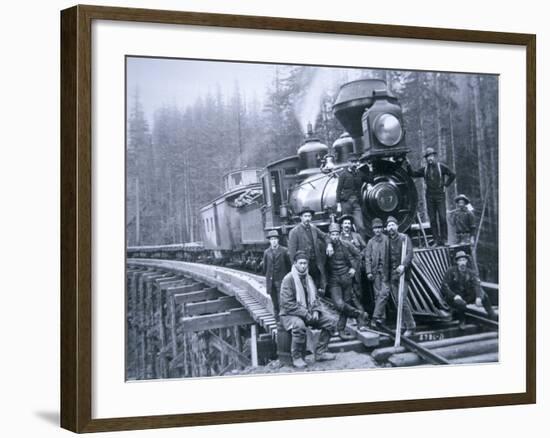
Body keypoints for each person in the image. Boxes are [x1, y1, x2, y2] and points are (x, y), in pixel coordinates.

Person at [279, 251, 337, 369]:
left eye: (305, 263)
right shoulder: (288, 279)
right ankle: (297, 357)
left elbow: (315, 298)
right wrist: (305, 313)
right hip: (289, 315)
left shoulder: (308, 277)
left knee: (331, 321)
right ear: (295, 264)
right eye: (300, 263)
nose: (303, 266)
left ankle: (320, 352)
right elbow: (287, 304)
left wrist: (315, 310)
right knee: (299, 326)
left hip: (308, 313)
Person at [326, 222, 370, 338]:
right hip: (334, 280)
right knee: (339, 304)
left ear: (339, 234)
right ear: (329, 235)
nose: (334, 237)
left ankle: (340, 330)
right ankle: (359, 314)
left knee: (346, 303)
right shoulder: (327, 247)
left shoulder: (346, 245)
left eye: (336, 234)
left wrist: (353, 268)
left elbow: (358, 255)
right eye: (332, 234)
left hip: (346, 278)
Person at [406, 147, 456, 246]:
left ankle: (444, 239)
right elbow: (413, 174)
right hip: (429, 197)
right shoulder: (424, 170)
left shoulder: (441, 167)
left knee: (442, 217)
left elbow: (452, 174)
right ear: (426, 159)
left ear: (434, 157)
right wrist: (408, 164)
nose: (430, 159)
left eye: (431, 156)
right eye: (428, 157)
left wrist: (446, 185)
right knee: (432, 219)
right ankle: (436, 240)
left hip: (440, 196)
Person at [441, 251, 497, 328]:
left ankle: (491, 314)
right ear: (457, 262)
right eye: (460, 260)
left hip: (466, 296)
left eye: (464, 260)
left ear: (466, 261)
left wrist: (478, 297)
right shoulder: (450, 271)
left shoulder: (471, 272)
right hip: (454, 298)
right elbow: (444, 286)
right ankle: (462, 320)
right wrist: (454, 296)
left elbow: (477, 285)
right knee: (461, 303)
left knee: (484, 295)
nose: (462, 262)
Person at [288, 206, 330, 295]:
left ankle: (316, 302)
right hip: (303, 265)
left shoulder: (313, 228)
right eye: (305, 216)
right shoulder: (294, 232)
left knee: (316, 284)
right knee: (305, 288)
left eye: (309, 216)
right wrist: (295, 268)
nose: (307, 218)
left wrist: (329, 245)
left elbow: (325, 236)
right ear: (301, 217)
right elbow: (292, 253)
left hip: (315, 263)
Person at [386, 216, 416, 336]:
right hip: (392, 276)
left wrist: (403, 265)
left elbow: (410, 253)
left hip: (403, 274)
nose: (391, 228)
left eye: (393, 225)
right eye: (389, 226)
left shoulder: (404, 238)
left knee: (402, 300)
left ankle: (411, 326)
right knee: (397, 302)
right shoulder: (387, 240)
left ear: (397, 226)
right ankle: (402, 324)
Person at [364, 218, 391, 327]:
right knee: (377, 296)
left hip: (386, 272)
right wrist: (368, 271)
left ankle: (375, 317)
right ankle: (382, 318)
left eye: (379, 228)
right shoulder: (370, 242)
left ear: (382, 228)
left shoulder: (387, 239)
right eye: (375, 228)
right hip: (375, 272)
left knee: (383, 294)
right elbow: (367, 258)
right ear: (373, 230)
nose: (377, 230)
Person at [336, 153, 368, 238]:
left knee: (361, 227)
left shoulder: (360, 173)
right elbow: (338, 190)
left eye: (356, 162)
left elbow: (370, 179)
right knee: (346, 226)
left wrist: (370, 169)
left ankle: (362, 248)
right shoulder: (343, 174)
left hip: (356, 203)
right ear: (348, 163)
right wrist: (338, 204)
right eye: (352, 162)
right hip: (346, 203)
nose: (354, 164)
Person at [262, 230, 291, 320]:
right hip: (271, 282)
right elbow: (264, 268)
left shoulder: (284, 251)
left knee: (281, 302)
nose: (273, 241)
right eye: (272, 239)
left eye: (275, 239)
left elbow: (289, 266)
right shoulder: (266, 252)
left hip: (281, 281)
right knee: (275, 303)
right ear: (269, 241)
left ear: (278, 240)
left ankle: (283, 321)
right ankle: (277, 321)